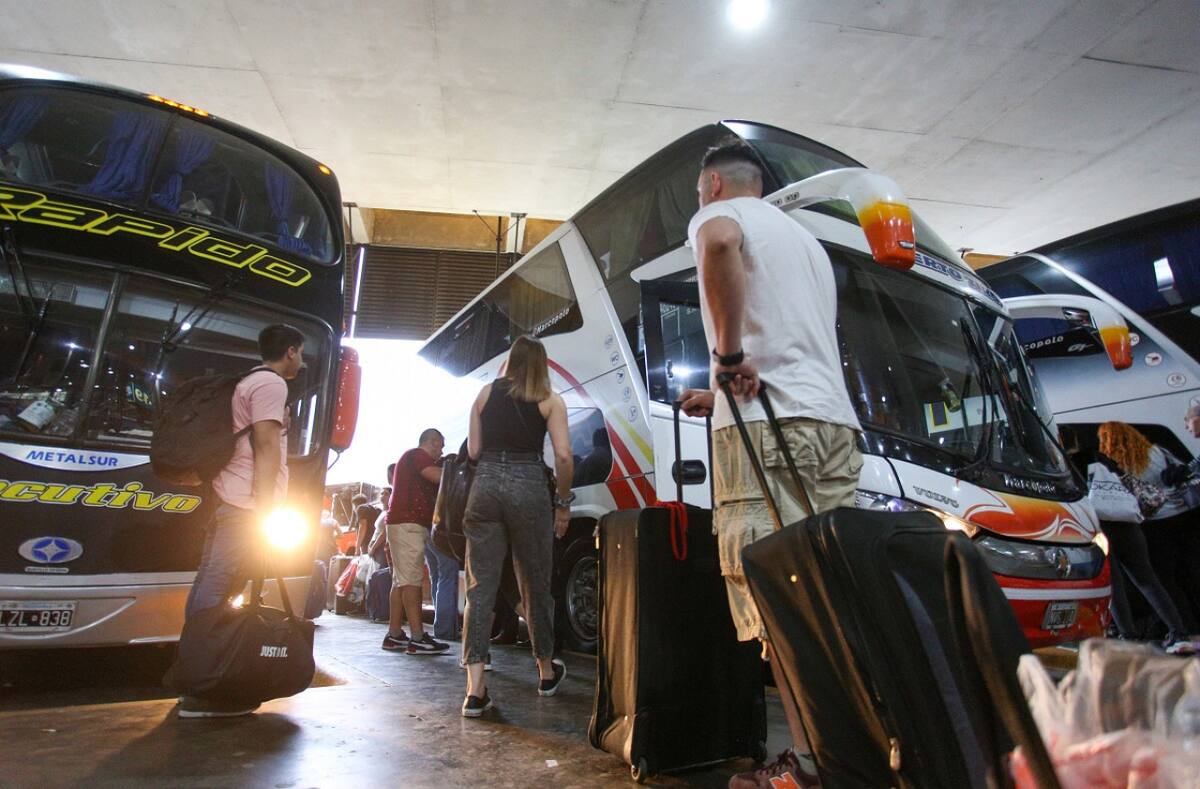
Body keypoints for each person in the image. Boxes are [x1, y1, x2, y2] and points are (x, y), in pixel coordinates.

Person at [678, 138, 862, 789]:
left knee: (780, 603)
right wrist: (718, 390)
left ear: (717, 187)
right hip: (834, 428)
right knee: (831, 600)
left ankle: (808, 768)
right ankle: (854, 755)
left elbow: (719, 244)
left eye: (700, 195)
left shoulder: (719, 216)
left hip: (766, 431)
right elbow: (791, 345)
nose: (700, 207)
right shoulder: (805, 242)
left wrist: (726, 357)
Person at [178, 323, 305, 718]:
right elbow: (267, 446)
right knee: (219, 583)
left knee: (210, 581)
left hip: (228, 498)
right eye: (299, 352)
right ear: (289, 351)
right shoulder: (271, 384)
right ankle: (205, 687)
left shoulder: (248, 382)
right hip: (246, 504)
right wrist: (267, 508)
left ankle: (196, 670)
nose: (300, 360)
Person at [460, 335, 573, 718]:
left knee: (480, 588)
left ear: (509, 360)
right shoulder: (550, 399)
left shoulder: (484, 394)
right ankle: (545, 671)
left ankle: (475, 690)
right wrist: (564, 503)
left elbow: (473, 452)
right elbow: (562, 455)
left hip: (486, 483)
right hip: (528, 485)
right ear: (542, 363)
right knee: (534, 582)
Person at [1099, 421, 1200, 644]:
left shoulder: (1116, 465)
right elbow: (1184, 470)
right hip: (1185, 514)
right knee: (1190, 572)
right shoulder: (1157, 451)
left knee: (1165, 580)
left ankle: (1186, 629)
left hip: (1155, 522)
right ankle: (1185, 628)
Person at [382, 429, 450, 655]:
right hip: (409, 524)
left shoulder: (407, 459)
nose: (441, 451)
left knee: (400, 581)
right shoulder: (418, 455)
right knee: (412, 581)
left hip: (400, 523)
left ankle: (395, 634)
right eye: (440, 446)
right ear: (432, 442)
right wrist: (458, 471)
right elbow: (438, 476)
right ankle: (418, 637)